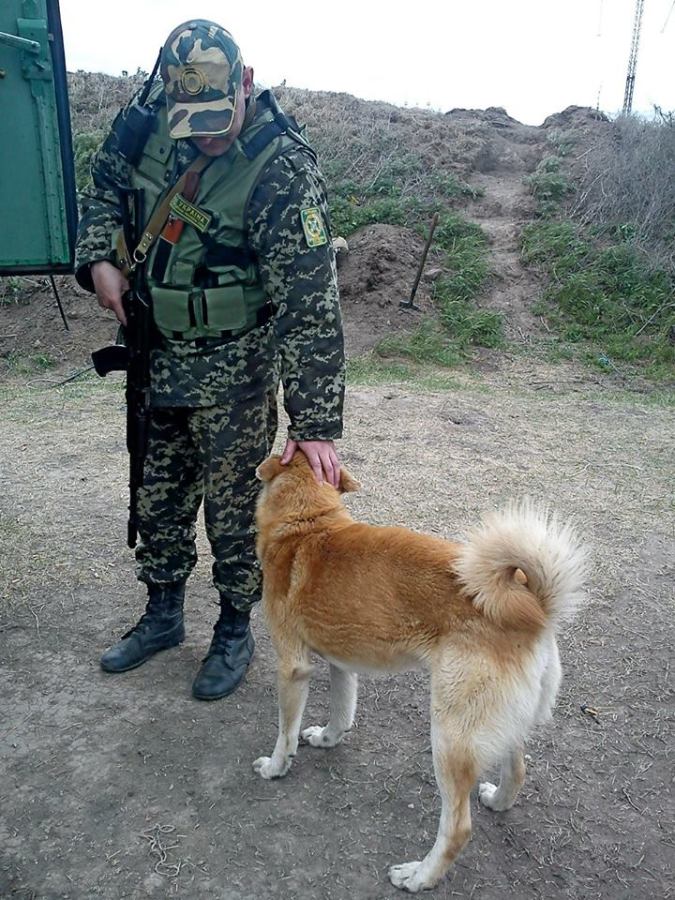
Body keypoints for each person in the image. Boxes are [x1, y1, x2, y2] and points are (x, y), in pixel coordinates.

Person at [74, 19, 345, 700]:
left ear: (245, 83)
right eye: (191, 126)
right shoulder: (146, 121)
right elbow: (103, 188)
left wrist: (314, 424)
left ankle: (232, 628)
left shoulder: (281, 170)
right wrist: (99, 259)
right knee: (157, 498)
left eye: (216, 122)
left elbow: (310, 303)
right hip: (156, 357)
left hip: (235, 374)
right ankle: (163, 613)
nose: (206, 138)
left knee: (234, 515)